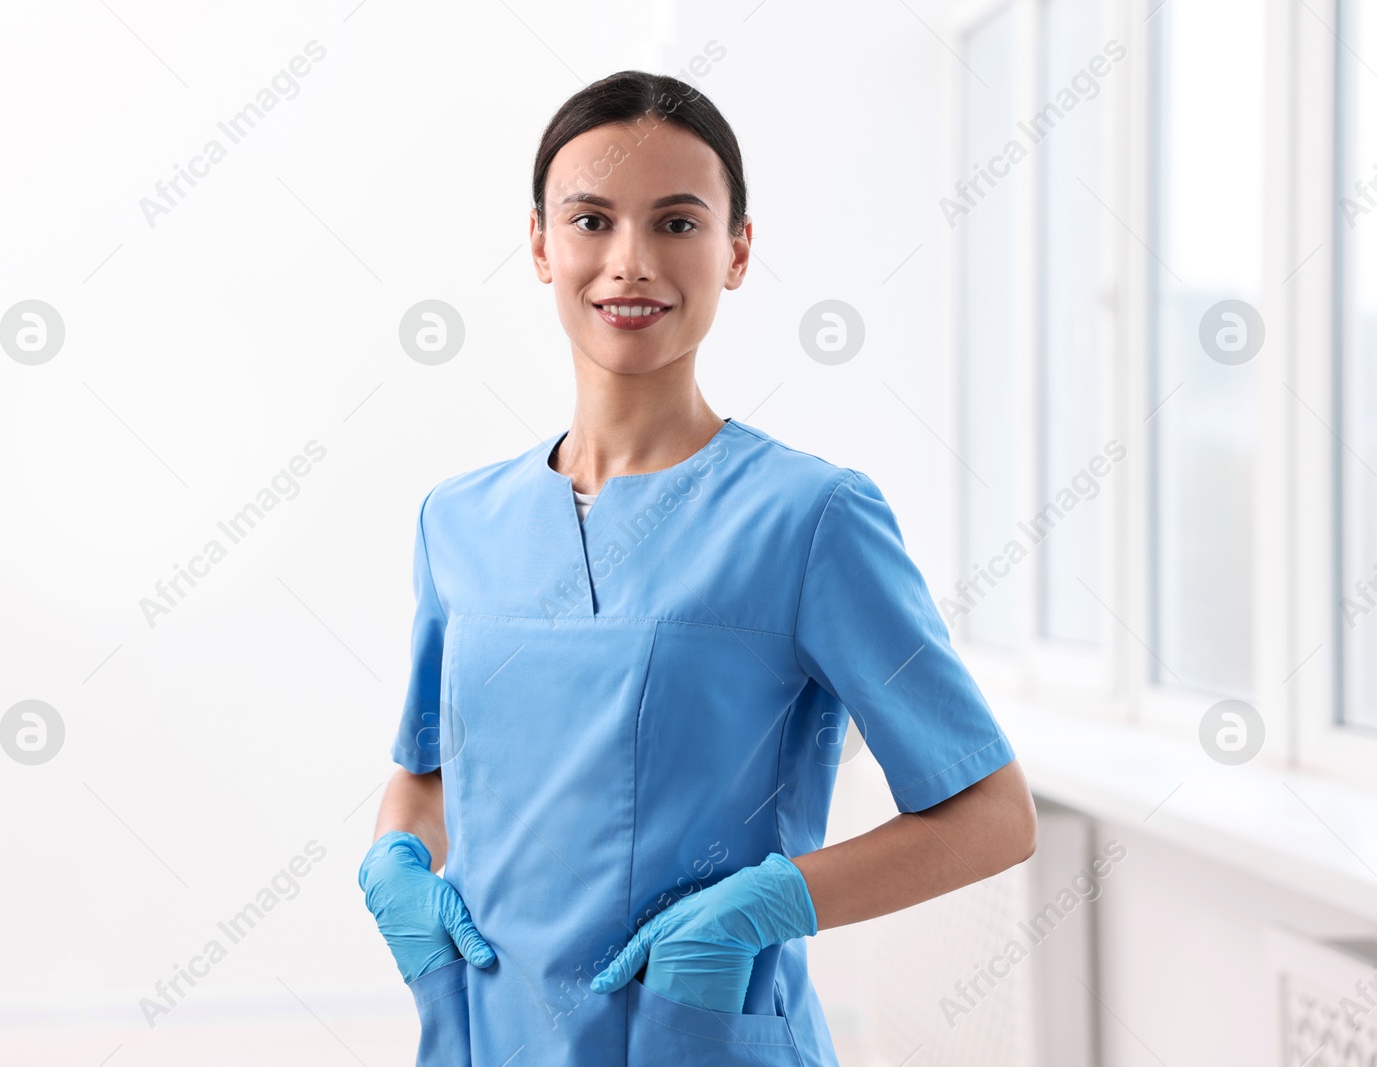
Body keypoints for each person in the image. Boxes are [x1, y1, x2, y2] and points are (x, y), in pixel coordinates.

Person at [359, 70, 1037, 1067]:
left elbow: (991, 814)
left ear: (737, 250)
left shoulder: (810, 518)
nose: (629, 263)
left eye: (676, 223)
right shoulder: (458, 520)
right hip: (484, 1037)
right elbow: (426, 777)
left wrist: (763, 906)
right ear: (541, 244)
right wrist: (396, 859)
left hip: (699, 1035)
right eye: (590, 219)